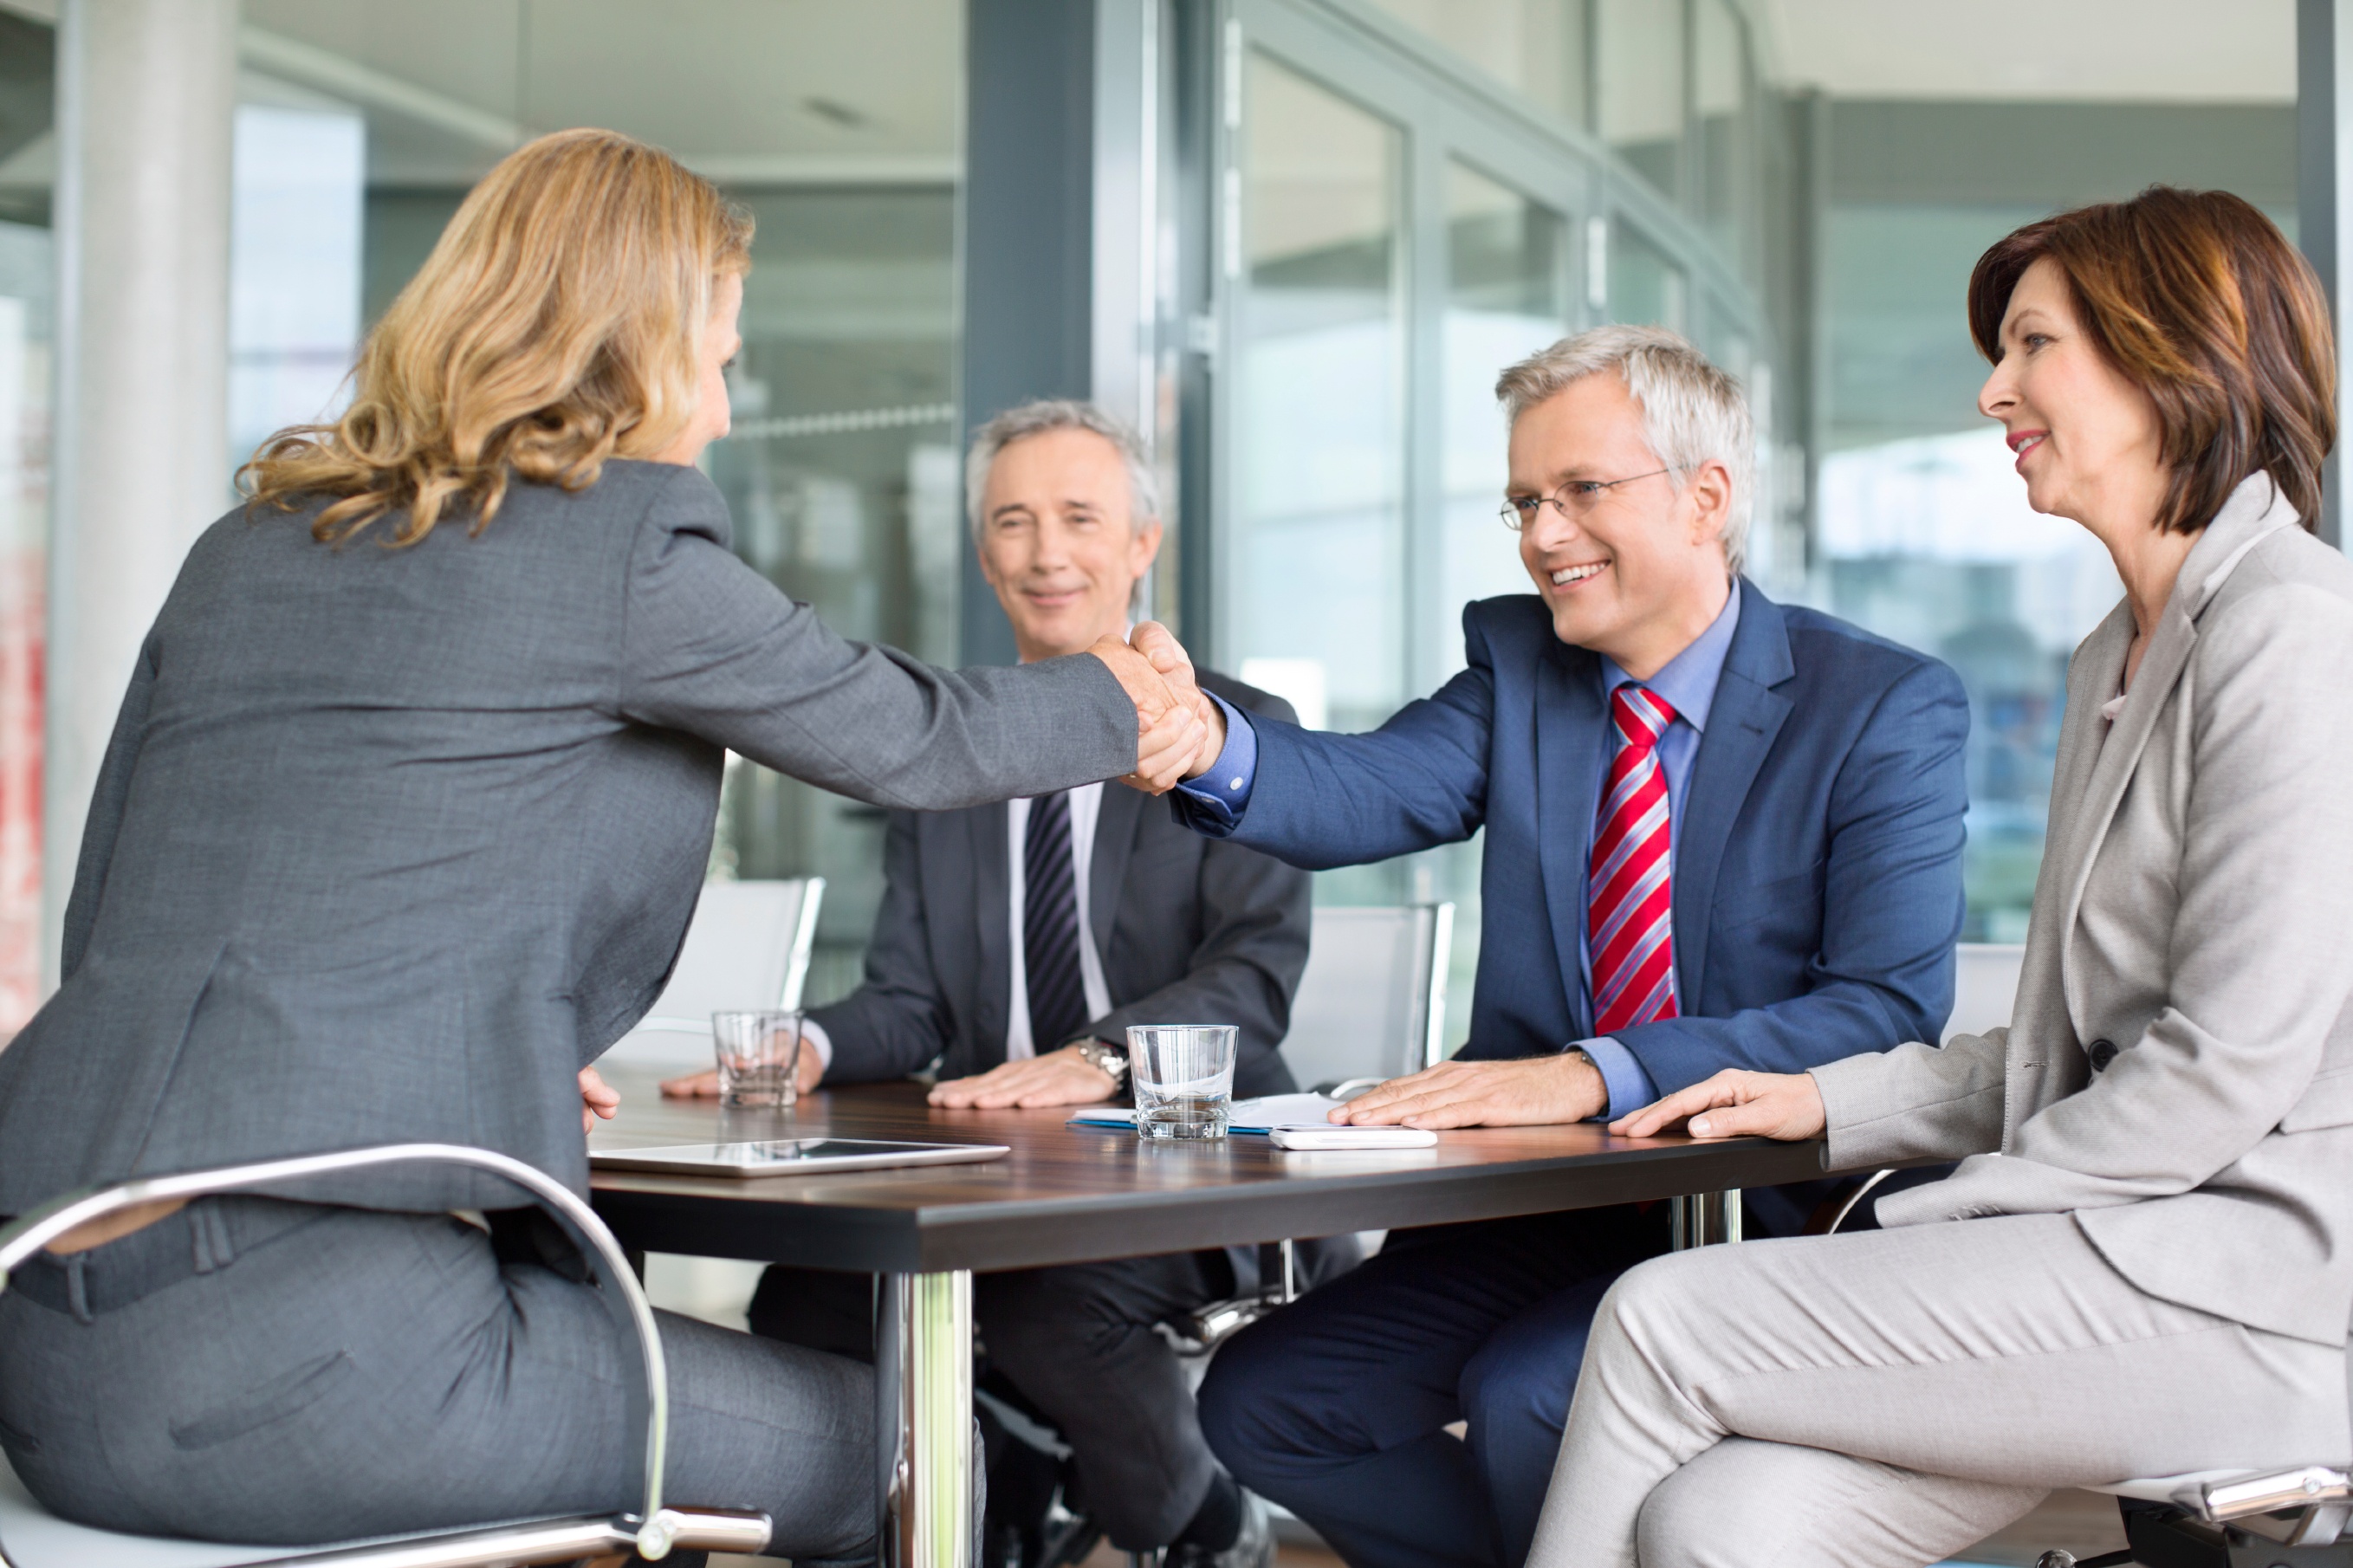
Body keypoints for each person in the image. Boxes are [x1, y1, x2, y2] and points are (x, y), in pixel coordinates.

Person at [0, 130, 1207, 1555]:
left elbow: (119, 920)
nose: (725, 410)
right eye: (718, 361)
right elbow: (913, 735)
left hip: (46, 1364)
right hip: (318, 1372)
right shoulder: (613, 544)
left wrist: (460, 1037)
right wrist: (1133, 694)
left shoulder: (252, 543)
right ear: (634, 353)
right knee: (918, 1445)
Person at [1527, 187, 2353, 1568]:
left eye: (2034, 346)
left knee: (1662, 1317)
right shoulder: (2118, 653)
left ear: (2167, 356)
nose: (1993, 391)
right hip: (2107, 1265)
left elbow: (2224, 1063)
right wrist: (1825, 1100)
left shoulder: (2291, 633)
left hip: (2252, 1298)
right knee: (1720, 1523)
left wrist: (1933, 1210)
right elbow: (2059, 1053)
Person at [1136, 325, 1971, 1568]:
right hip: (1545, 1200)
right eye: (1526, 499)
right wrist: (1212, 740)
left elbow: (1884, 1011)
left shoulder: (1881, 705)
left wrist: (1592, 1069)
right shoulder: (1523, 668)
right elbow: (1366, 787)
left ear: (1708, 495)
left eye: (1583, 490)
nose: (1543, 533)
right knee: (1270, 1399)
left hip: (1772, 1210)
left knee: (1539, 1394)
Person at [664, 398, 1313, 1568]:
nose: (1046, 551)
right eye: (1013, 521)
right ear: (981, 551)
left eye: (1078, 517)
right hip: (1001, 1168)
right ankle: (980, 1490)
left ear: (1142, 543)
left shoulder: (1233, 729)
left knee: (1039, 1301)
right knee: (802, 1303)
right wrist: (808, 1045)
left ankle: (1205, 1524)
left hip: (1192, 1163)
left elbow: (1253, 975)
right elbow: (912, 1002)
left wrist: (1096, 1058)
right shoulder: (951, 739)